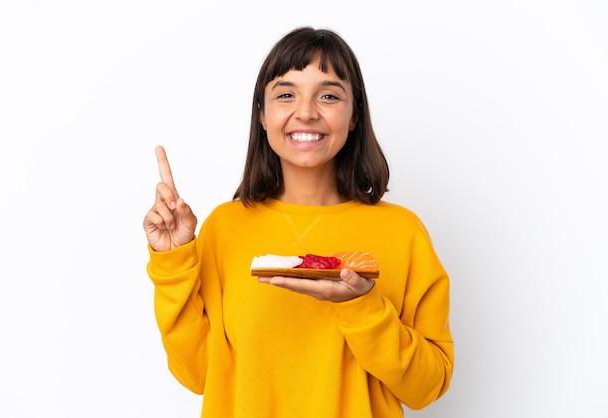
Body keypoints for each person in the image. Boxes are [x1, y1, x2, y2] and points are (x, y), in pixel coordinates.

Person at [143, 26, 453, 418]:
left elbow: (427, 387)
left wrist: (362, 306)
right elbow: (199, 374)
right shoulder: (224, 227)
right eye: (286, 94)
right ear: (262, 115)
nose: (306, 111)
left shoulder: (403, 231)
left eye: (328, 95)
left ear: (354, 115)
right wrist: (172, 261)